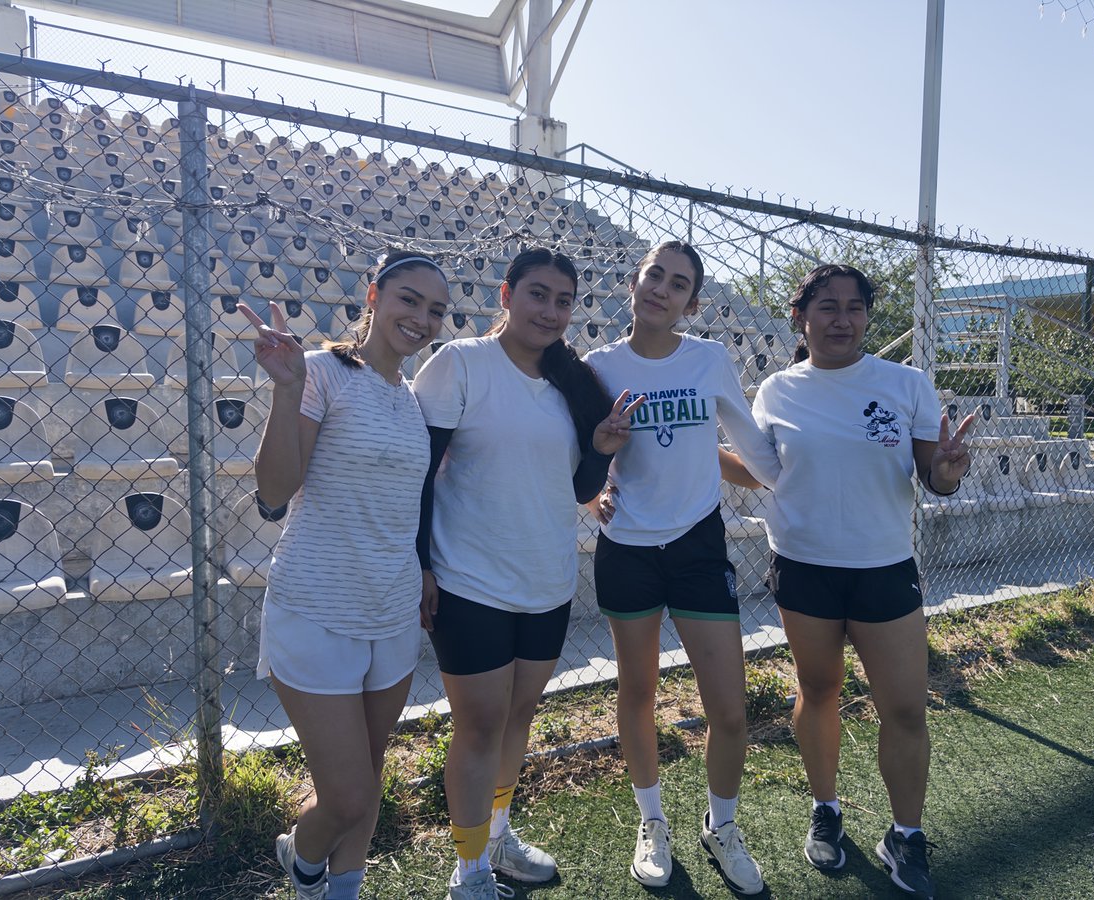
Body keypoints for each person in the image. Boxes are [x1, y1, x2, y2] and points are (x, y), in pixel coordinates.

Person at [411, 247, 644, 900]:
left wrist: (599, 452)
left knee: (517, 719)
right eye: (537, 294)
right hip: (468, 580)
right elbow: (421, 476)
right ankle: (470, 871)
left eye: (563, 300)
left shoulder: (571, 385)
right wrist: (422, 563)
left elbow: (578, 488)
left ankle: (498, 834)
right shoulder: (459, 364)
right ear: (506, 295)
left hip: (547, 580)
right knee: (481, 724)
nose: (550, 310)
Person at [745, 263, 973, 899]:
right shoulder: (776, 391)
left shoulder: (907, 384)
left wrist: (950, 471)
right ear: (802, 316)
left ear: (868, 316)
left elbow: (936, 477)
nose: (841, 319)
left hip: (884, 568)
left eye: (854, 307)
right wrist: (700, 450)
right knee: (817, 690)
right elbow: (764, 472)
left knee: (904, 706)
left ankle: (906, 835)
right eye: (827, 307)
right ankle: (827, 810)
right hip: (804, 566)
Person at [240, 251, 451, 900]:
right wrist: (282, 387)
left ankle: (338, 890)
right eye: (409, 300)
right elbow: (275, 489)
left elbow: (401, 502)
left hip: (391, 616)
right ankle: (302, 858)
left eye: (435, 310)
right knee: (351, 794)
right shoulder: (321, 374)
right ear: (374, 296)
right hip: (316, 611)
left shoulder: (413, 400)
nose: (421, 318)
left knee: (369, 771)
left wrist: (420, 567)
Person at [583, 240, 782, 895]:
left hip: (698, 549)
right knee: (637, 695)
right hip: (629, 553)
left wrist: (797, 486)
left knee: (728, 709)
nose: (662, 290)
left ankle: (721, 825)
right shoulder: (598, 367)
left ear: (691, 303)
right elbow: (578, 453)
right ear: (634, 282)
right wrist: (592, 492)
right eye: (654, 276)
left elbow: (752, 447)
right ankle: (652, 822)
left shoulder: (708, 360)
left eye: (677, 284)